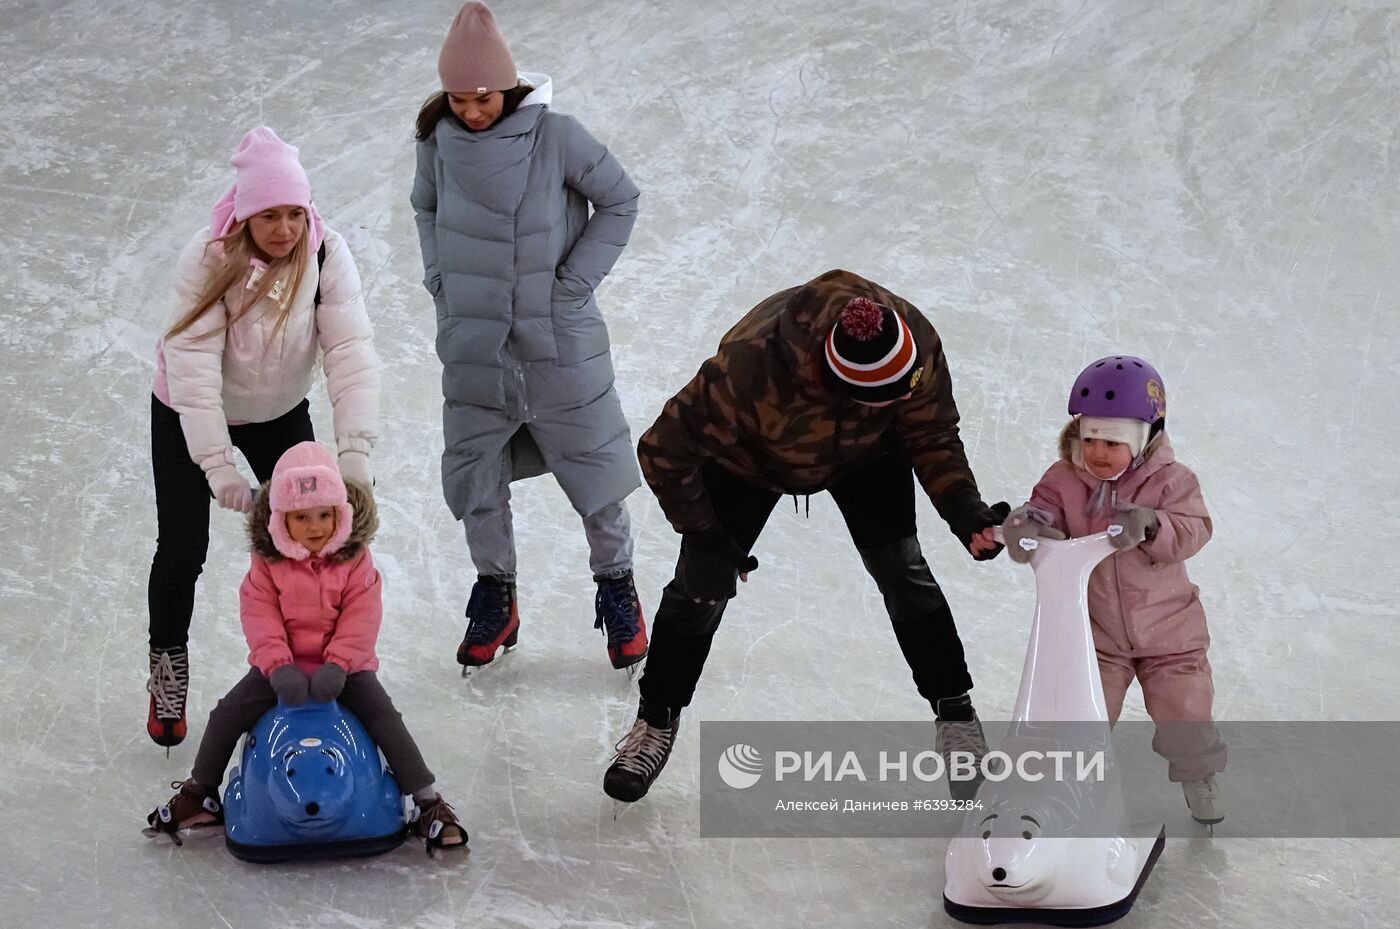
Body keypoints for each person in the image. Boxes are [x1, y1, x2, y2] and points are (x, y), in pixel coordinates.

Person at [604, 271, 1009, 803]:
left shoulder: (914, 341)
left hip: (868, 456)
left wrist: (964, 510)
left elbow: (929, 432)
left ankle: (955, 711)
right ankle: (655, 720)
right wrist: (705, 535)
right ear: (841, 388)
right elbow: (663, 450)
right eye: (881, 399)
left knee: (903, 570)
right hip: (747, 463)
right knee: (700, 587)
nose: (896, 404)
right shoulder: (749, 368)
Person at [410, 1, 647, 674]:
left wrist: (571, 286)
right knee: (477, 473)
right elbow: (424, 206)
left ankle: (618, 586)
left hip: (557, 340)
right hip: (475, 339)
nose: (470, 111)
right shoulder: (436, 143)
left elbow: (621, 199)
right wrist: (441, 280)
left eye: (482, 97)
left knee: (595, 471)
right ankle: (497, 591)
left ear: (506, 87)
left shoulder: (556, 137)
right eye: (457, 98)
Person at [146, 126, 379, 746]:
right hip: (188, 413)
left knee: (322, 539)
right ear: (245, 215)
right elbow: (191, 369)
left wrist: (352, 457)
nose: (283, 230)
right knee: (183, 546)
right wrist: (218, 465)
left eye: (294, 214)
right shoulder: (209, 256)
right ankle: (168, 665)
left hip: (278, 412)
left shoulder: (326, 254)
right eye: (268, 216)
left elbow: (350, 354)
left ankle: (327, 671)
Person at [145, 443, 466, 853]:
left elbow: (361, 616)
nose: (315, 527)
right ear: (281, 519)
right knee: (227, 714)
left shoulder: (355, 559)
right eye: (301, 517)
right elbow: (259, 615)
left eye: (324, 515)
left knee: (384, 716)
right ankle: (201, 793)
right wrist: (277, 666)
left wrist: (340, 664)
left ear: (340, 513)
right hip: (281, 668)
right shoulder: (268, 561)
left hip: (346, 669)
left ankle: (427, 803)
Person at [1001, 355, 1226, 825]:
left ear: (1144, 441)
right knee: (1080, 721)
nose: (1099, 452)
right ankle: (1070, 790)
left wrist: (1153, 525)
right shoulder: (1063, 479)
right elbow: (1043, 513)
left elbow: (1195, 529)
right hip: (1097, 635)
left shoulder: (1172, 480)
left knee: (1185, 716)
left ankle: (1198, 775)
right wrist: (1028, 527)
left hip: (1170, 632)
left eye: (1114, 442)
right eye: (1090, 439)